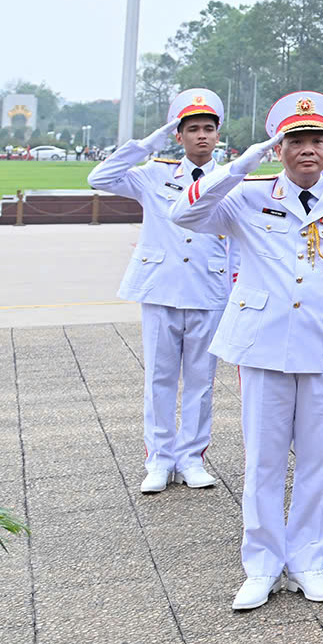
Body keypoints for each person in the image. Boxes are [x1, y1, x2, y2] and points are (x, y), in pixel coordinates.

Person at [170, 90, 323, 611]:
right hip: (264, 344)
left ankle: (309, 561)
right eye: (296, 141)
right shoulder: (245, 194)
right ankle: (261, 565)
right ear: (278, 147)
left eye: (318, 141)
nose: (308, 150)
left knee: (315, 461)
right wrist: (239, 164)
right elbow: (184, 214)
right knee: (263, 462)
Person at [88, 88, 231, 494]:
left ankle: (191, 458)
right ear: (179, 135)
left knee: (202, 381)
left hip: (209, 288)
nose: (201, 136)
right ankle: (159, 459)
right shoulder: (155, 172)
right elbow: (100, 177)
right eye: (192, 129)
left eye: (208, 129)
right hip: (161, 287)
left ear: (218, 135)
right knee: (160, 378)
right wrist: (148, 143)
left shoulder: (229, 177)